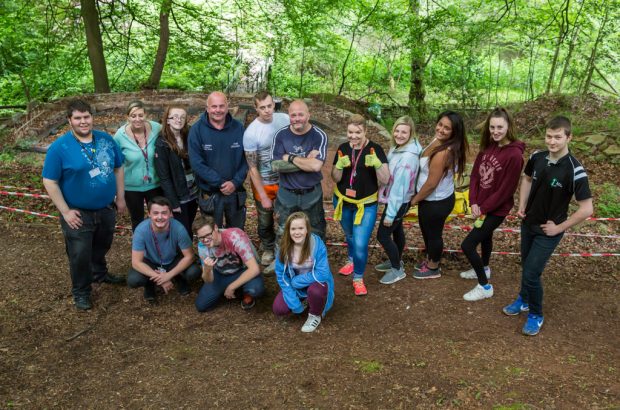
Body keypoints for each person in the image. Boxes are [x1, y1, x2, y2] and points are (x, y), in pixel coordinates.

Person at [503, 116, 592, 336]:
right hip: (528, 223)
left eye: (558, 137)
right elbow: (526, 179)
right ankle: (523, 299)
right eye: (549, 136)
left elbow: (586, 209)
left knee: (532, 272)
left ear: (569, 137)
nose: (552, 142)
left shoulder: (575, 170)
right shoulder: (537, 157)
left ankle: (536, 314)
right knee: (527, 266)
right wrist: (522, 205)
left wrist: (559, 228)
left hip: (549, 231)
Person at [42, 99, 126, 311]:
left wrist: (121, 197)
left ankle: (99, 273)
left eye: (86, 117)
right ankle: (81, 291)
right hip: (77, 212)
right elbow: (49, 181)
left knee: (102, 244)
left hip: (106, 208)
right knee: (79, 253)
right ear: (69, 121)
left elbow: (118, 168)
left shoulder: (106, 140)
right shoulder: (59, 148)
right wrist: (65, 211)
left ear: (92, 117)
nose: (83, 122)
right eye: (77, 118)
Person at [460, 108, 525, 301]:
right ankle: (484, 268)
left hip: (496, 210)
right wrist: (473, 202)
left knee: (468, 245)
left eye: (500, 127)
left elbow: (506, 190)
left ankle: (484, 286)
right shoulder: (487, 147)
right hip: (481, 206)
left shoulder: (514, 155)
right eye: (492, 127)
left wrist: (484, 208)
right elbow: (474, 177)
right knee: (485, 237)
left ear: (508, 127)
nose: (495, 131)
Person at [331, 114, 389, 296]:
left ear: (365, 131)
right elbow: (335, 178)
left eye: (358, 132)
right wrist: (338, 167)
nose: (353, 136)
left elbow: (386, 179)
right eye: (350, 132)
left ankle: (358, 278)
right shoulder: (342, 148)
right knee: (349, 235)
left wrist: (378, 165)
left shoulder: (375, 149)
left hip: (366, 204)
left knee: (361, 243)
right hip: (343, 200)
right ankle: (351, 259)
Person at [410, 111, 468, 279]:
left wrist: (414, 199)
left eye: (447, 128)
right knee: (426, 231)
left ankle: (433, 267)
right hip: (428, 199)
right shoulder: (437, 140)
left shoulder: (444, 152)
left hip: (436, 201)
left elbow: (431, 184)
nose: (441, 129)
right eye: (440, 124)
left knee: (433, 234)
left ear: (454, 132)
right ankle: (429, 259)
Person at [270, 99, 328, 246]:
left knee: (316, 230)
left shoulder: (319, 135)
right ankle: (281, 264)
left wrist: (289, 157)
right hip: (286, 193)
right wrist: (305, 161)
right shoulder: (281, 135)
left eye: (300, 115)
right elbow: (276, 165)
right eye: (293, 115)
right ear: (289, 116)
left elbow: (316, 166)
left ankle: (316, 263)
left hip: (312, 193)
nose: (297, 119)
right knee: (283, 229)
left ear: (308, 115)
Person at [243, 91, 290, 268]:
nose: (267, 110)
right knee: (265, 219)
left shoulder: (284, 119)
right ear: (256, 108)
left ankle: (284, 250)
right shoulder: (251, 132)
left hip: (286, 179)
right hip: (264, 181)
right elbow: (252, 167)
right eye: (262, 107)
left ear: (274, 104)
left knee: (286, 216)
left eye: (269, 106)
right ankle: (268, 247)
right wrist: (262, 195)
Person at [188, 91, 248, 229]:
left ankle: (234, 252)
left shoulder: (238, 128)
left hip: (235, 191)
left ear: (227, 107)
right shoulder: (197, 130)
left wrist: (235, 182)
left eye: (221, 106)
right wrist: (220, 183)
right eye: (214, 106)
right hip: (210, 193)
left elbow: (247, 159)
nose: (218, 110)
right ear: (207, 108)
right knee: (213, 233)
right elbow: (197, 163)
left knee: (236, 232)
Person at [375, 116, 422, 285]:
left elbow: (399, 188)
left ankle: (396, 269)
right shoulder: (398, 148)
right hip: (397, 200)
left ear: (411, 134)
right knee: (397, 231)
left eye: (404, 132)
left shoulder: (408, 157)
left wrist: (390, 214)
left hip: (398, 201)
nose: (399, 135)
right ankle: (397, 259)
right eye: (397, 130)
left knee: (383, 235)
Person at [127, 196, 201, 303]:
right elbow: (136, 262)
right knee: (134, 280)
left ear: (170, 214)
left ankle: (179, 277)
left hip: (173, 260)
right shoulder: (141, 230)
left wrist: (169, 275)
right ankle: (149, 284)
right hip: (151, 262)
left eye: (164, 213)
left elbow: (190, 256)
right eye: (155, 213)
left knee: (194, 272)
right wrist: (160, 278)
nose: (160, 217)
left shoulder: (179, 228)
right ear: (149, 214)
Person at [273, 212, 334, 333]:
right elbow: (282, 276)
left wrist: (297, 281)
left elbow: (323, 273)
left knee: (316, 291)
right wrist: (294, 302)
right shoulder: (283, 249)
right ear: (288, 231)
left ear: (307, 229)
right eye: (293, 229)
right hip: (296, 287)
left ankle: (314, 315)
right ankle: (304, 300)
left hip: (316, 283)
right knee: (279, 309)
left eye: (301, 228)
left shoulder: (317, 245)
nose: (297, 232)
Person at [193, 215, 265, 312]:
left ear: (215, 228)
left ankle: (243, 292)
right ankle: (235, 290)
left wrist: (231, 287)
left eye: (208, 235)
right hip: (221, 274)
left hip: (242, 270)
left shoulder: (234, 236)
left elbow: (254, 269)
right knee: (201, 306)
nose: (205, 240)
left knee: (256, 289)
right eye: (201, 237)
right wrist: (207, 269)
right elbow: (208, 280)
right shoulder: (202, 246)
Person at [113, 100, 163, 231]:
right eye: (133, 116)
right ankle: (140, 248)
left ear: (146, 115)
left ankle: (159, 246)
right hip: (131, 187)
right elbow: (117, 166)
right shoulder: (119, 136)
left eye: (141, 115)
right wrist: (120, 195)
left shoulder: (157, 128)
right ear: (127, 117)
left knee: (159, 217)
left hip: (155, 184)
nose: (137, 119)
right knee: (137, 219)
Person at [154, 106, 198, 236]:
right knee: (181, 230)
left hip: (193, 192)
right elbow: (164, 177)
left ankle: (188, 254)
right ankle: (182, 255)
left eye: (182, 117)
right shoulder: (161, 143)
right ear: (167, 120)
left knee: (189, 225)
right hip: (179, 196)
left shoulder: (189, 136)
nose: (178, 120)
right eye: (175, 117)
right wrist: (173, 202)